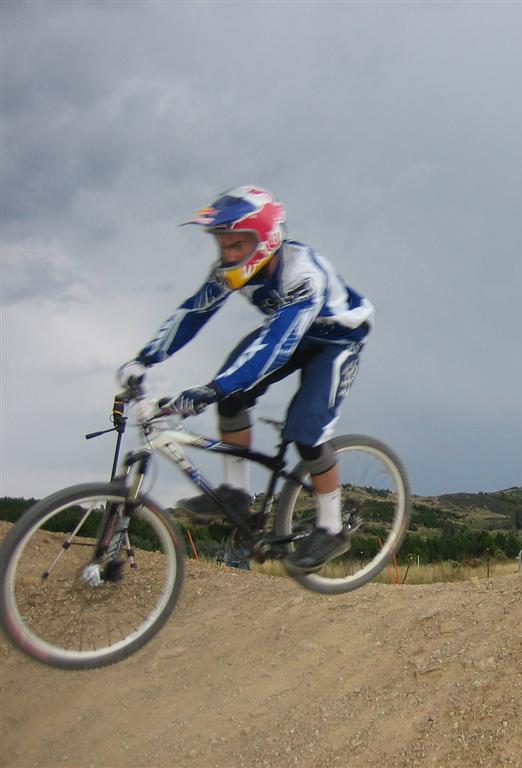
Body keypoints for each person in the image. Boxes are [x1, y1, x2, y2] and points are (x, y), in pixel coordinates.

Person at [117, 186, 373, 573]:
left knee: (307, 432)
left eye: (239, 244)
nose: (231, 254)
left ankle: (332, 527)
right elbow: (193, 313)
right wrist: (144, 359)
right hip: (287, 332)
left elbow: (276, 348)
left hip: (334, 342)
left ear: (267, 238)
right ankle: (236, 494)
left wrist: (212, 388)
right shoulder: (229, 270)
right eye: (224, 245)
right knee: (231, 397)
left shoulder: (303, 274)